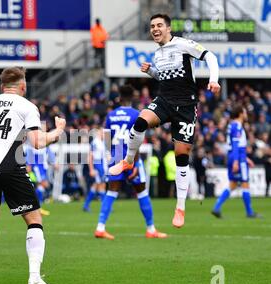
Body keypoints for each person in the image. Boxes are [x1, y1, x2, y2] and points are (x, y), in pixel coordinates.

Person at [109, 14, 221, 228]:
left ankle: (180, 207)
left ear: (168, 28)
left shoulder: (182, 44)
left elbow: (211, 57)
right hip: (164, 101)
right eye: (152, 26)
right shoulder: (158, 53)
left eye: (159, 25)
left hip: (186, 106)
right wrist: (151, 71)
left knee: (181, 155)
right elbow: (165, 78)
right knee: (140, 122)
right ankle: (128, 161)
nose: (155, 29)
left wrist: (213, 80)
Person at [0, 67, 66, 284]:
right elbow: (37, 142)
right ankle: (34, 278)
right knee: (34, 219)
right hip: (11, 165)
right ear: (23, 86)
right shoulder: (26, 106)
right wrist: (58, 132)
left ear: (2, 86)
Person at [95, 85, 167, 240]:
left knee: (111, 191)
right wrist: (135, 161)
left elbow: (106, 141)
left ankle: (100, 228)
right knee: (142, 191)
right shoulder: (137, 114)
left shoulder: (111, 115)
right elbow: (137, 139)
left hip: (115, 158)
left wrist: (109, 158)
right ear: (133, 98)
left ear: (119, 98)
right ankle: (151, 229)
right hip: (130, 156)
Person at [212, 106, 261, 218]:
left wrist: (246, 159)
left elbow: (237, 146)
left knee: (233, 184)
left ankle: (216, 207)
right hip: (237, 159)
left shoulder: (231, 125)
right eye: (244, 112)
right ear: (240, 113)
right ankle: (249, 212)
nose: (246, 114)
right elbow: (235, 145)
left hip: (234, 156)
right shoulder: (237, 126)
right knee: (245, 183)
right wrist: (237, 161)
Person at [25, 139, 56, 216]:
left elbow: (50, 154)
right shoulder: (32, 146)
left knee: (41, 186)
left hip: (43, 168)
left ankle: (36, 207)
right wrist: (28, 165)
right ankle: (36, 207)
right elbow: (29, 155)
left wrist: (54, 163)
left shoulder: (46, 147)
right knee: (42, 185)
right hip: (37, 168)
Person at [83, 128, 107, 212]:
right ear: (99, 133)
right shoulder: (95, 143)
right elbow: (90, 156)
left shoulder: (102, 142)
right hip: (97, 165)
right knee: (100, 185)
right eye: (102, 132)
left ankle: (86, 205)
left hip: (102, 165)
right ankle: (105, 206)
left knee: (99, 185)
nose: (104, 134)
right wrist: (91, 169)